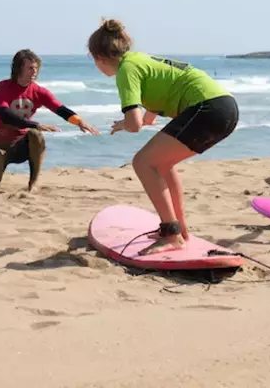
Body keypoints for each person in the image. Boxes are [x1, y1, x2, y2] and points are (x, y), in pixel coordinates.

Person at [87, 19, 239, 255]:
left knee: (143, 162)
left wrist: (127, 124)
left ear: (99, 58)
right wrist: (130, 122)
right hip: (223, 107)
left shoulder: (126, 71)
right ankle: (179, 228)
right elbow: (150, 113)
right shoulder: (140, 60)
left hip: (207, 109)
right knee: (163, 163)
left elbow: (135, 125)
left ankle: (172, 234)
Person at [0, 49, 100, 192]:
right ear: (18, 68)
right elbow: (5, 115)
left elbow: (59, 109)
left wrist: (79, 121)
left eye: (36, 68)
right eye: (30, 68)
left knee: (36, 135)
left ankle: (33, 183)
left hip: (23, 145)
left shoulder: (39, 91)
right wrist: (36, 124)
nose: (34, 71)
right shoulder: (1, 88)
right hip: (0, 145)